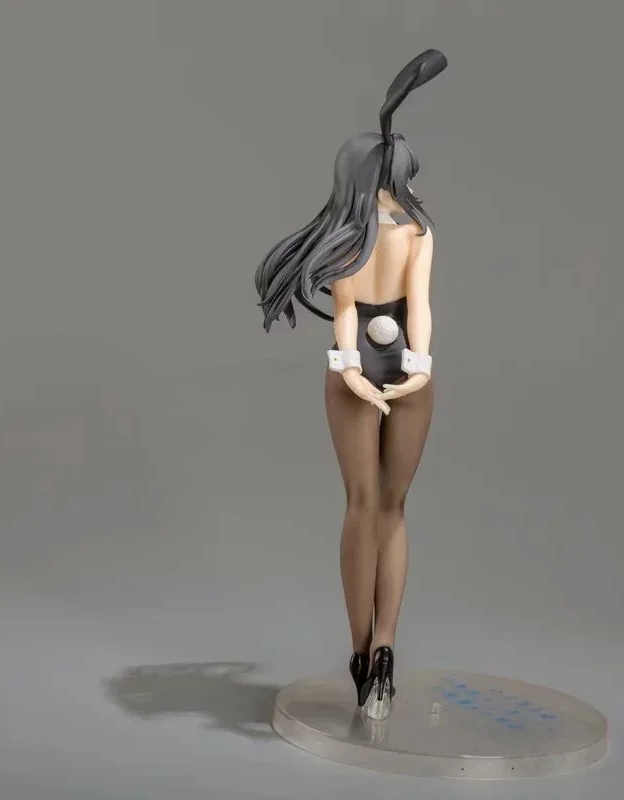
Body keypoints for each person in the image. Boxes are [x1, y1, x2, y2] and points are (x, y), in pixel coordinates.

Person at [255, 49, 447, 720]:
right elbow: (417, 308)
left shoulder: (347, 235)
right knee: (387, 509)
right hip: (400, 373)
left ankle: (367, 653)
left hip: (359, 375)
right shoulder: (414, 232)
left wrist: (353, 373)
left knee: (365, 507)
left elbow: (346, 315)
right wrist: (417, 368)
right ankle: (380, 650)